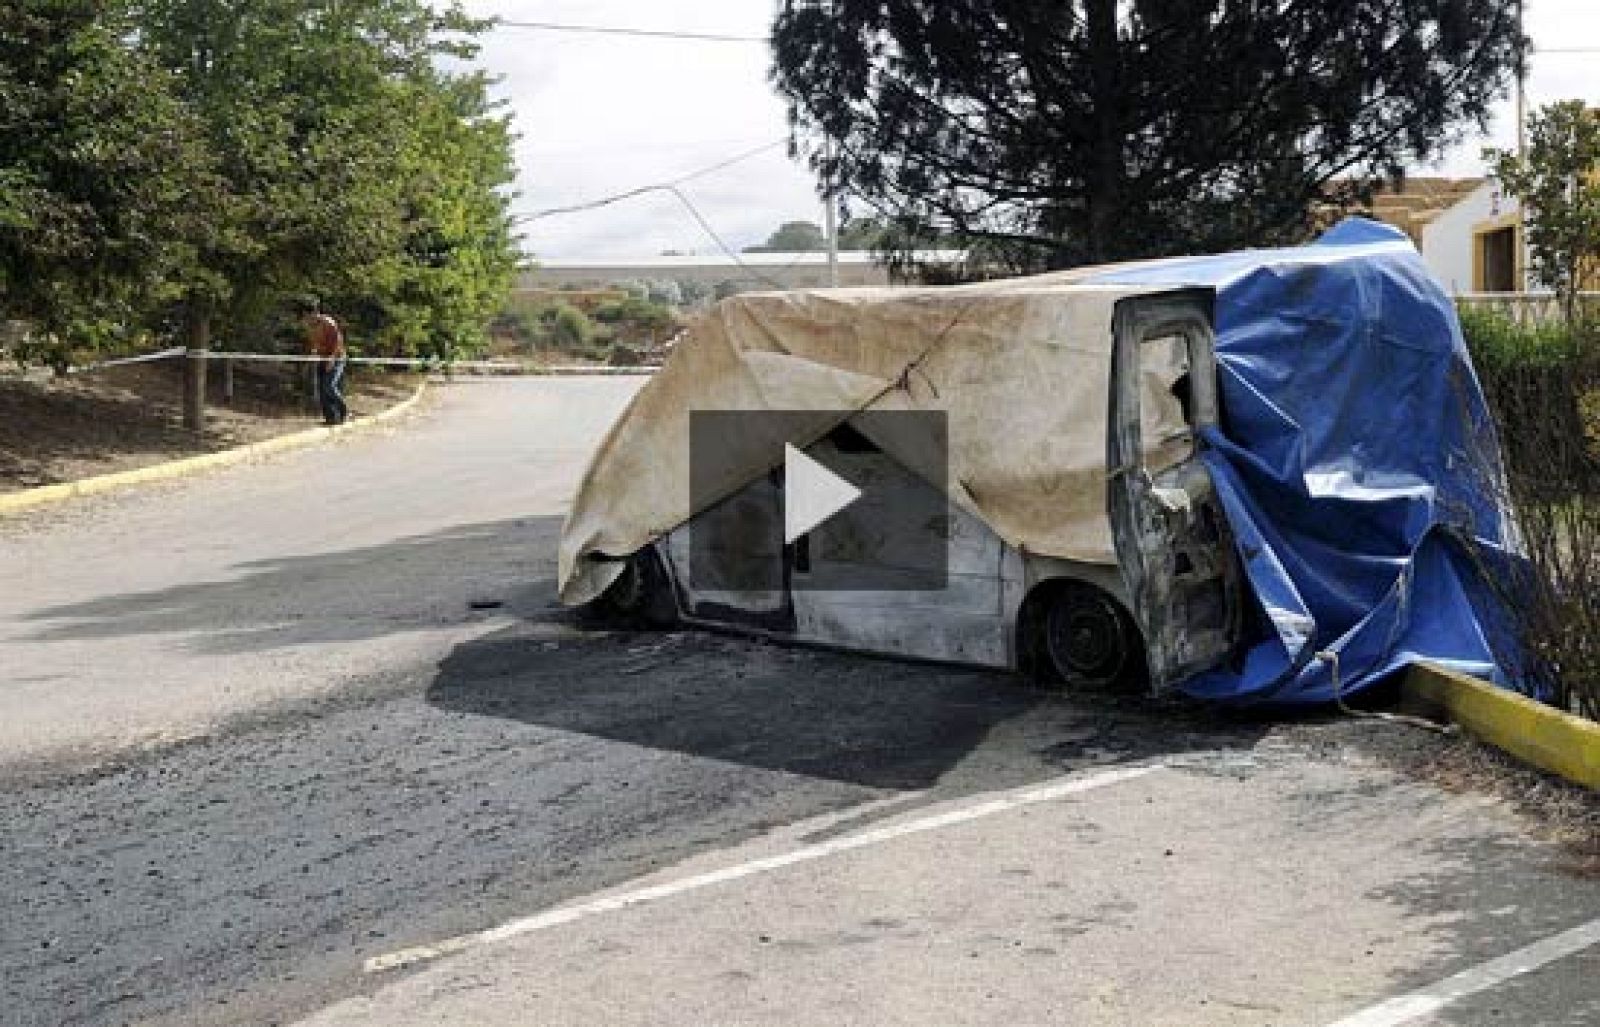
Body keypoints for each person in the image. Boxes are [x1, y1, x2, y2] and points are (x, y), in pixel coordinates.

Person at [300, 298, 348, 425]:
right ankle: (330, 417)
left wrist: (331, 359)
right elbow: (314, 343)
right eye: (305, 316)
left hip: (336, 358)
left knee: (329, 386)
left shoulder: (328, 323)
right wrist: (313, 353)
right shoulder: (310, 326)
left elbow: (337, 343)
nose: (307, 318)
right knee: (321, 389)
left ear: (315, 312)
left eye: (309, 315)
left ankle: (343, 410)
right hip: (322, 357)